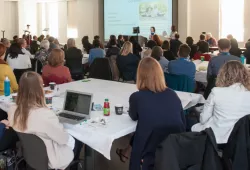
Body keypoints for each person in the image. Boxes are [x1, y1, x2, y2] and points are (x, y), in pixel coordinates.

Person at [117, 57, 185, 170]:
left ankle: (126, 153)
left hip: (148, 152)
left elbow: (133, 116)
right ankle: (126, 152)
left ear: (140, 76)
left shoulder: (137, 97)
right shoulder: (172, 94)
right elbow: (182, 122)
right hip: (173, 151)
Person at [8, 71, 82, 169]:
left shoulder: (12, 110)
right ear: (39, 90)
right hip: (51, 159)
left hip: (31, 157)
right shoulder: (45, 115)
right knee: (78, 141)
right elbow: (63, 139)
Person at [192, 61, 250, 144]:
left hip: (218, 138)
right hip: (243, 139)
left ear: (223, 74)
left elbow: (203, 120)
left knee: (194, 126)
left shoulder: (216, 92)